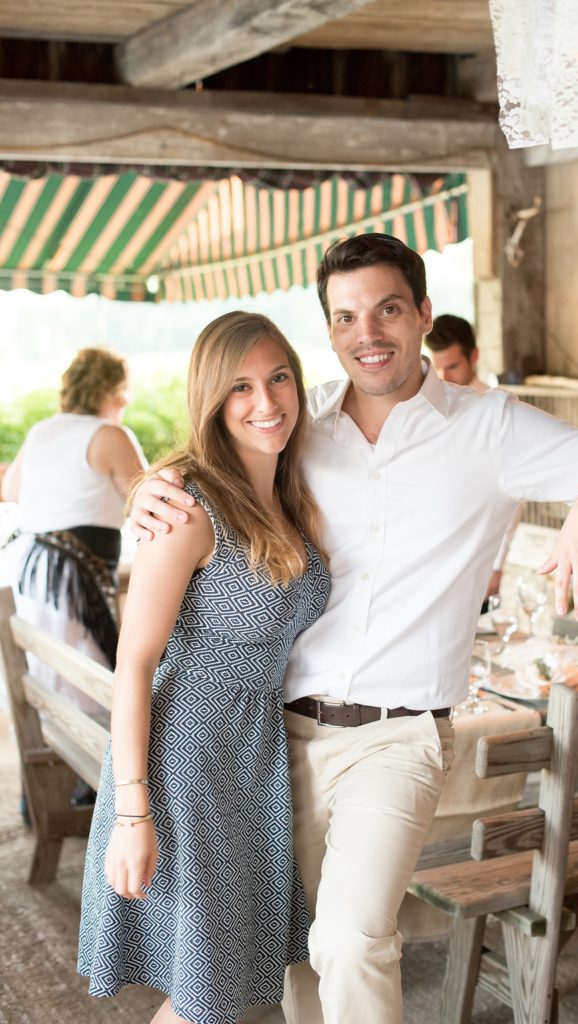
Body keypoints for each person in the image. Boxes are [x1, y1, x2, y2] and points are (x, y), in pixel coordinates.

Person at [131, 234, 578, 1024]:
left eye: (386, 309)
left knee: (351, 939)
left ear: (421, 313)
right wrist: (147, 489)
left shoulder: (490, 429)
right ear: (328, 330)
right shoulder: (296, 421)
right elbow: (207, 472)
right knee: (302, 954)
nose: (367, 333)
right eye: (345, 316)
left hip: (399, 737)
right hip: (272, 738)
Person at [77, 312, 331, 1024]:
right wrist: (134, 813)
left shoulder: (288, 488)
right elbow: (133, 664)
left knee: (221, 986)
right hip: (185, 756)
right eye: (240, 387)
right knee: (206, 994)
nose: (266, 402)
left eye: (279, 377)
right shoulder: (187, 505)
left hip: (251, 753)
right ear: (211, 400)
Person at [1, 347, 146, 713]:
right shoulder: (111, 435)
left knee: (51, 681)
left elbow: (13, 491)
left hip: (28, 570)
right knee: (88, 685)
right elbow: (149, 504)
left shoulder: (41, 432)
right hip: (68, 582)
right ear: (113, 392)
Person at [424, 313, 521, 601]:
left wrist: (497, 567)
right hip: (436, 562)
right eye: (437, 369)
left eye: (452, 366)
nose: (444, 378)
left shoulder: (498, 415)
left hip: (481, 562)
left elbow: (514, 502)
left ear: (474, 356)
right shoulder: (425, 412)